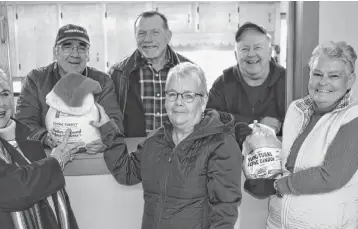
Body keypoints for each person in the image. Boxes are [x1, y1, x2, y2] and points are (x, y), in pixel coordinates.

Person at [244, 41, 358, 228]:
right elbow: (289, 162)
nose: (323, 82)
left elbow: (331, 176)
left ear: (349, 81)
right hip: (278, 223)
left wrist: (275, 186)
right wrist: (261, 152)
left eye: (334, 76)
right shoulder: (297, 108)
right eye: (317, 74)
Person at [92, 62, 245, 229]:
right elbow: (126, 172)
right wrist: (108, 130)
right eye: (172, 94)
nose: (178, 102)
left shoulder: (221, 144)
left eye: (188, 96)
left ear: (203, 101)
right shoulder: (155, 139)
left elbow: (224, 215)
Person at [0, 64, 84, 229]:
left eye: (5, 93)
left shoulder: (26, 137)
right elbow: (14, 191)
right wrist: (57, 161)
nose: (0, 103)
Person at [16, 24, 123, 153]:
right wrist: (44, 137)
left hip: (91, 157)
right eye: (67, 47)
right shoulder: (36, 79)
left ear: (88, 54)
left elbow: (115, 121)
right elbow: (24, 122)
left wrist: (107, 139)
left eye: (81, 48)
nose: (75, 54)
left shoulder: (103, 81)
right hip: (50, 158)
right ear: (56, 52)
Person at [109, 11, 191, 137]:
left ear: (168, 36)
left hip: (181, 152)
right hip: (135, 153)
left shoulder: (190, 70)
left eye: (155, 32)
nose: (148, 39)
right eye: (142, 33)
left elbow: (201, 117)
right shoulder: (117, 73)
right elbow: (109, 120)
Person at [207, 22, 286, 145]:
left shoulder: (287, 82)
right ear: (235, 55)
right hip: (231, 160)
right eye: (245, 49)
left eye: (257, 47)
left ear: (270, 52)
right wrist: (255, 124)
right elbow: (209, 119)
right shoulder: (222, 84)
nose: (251, 54)